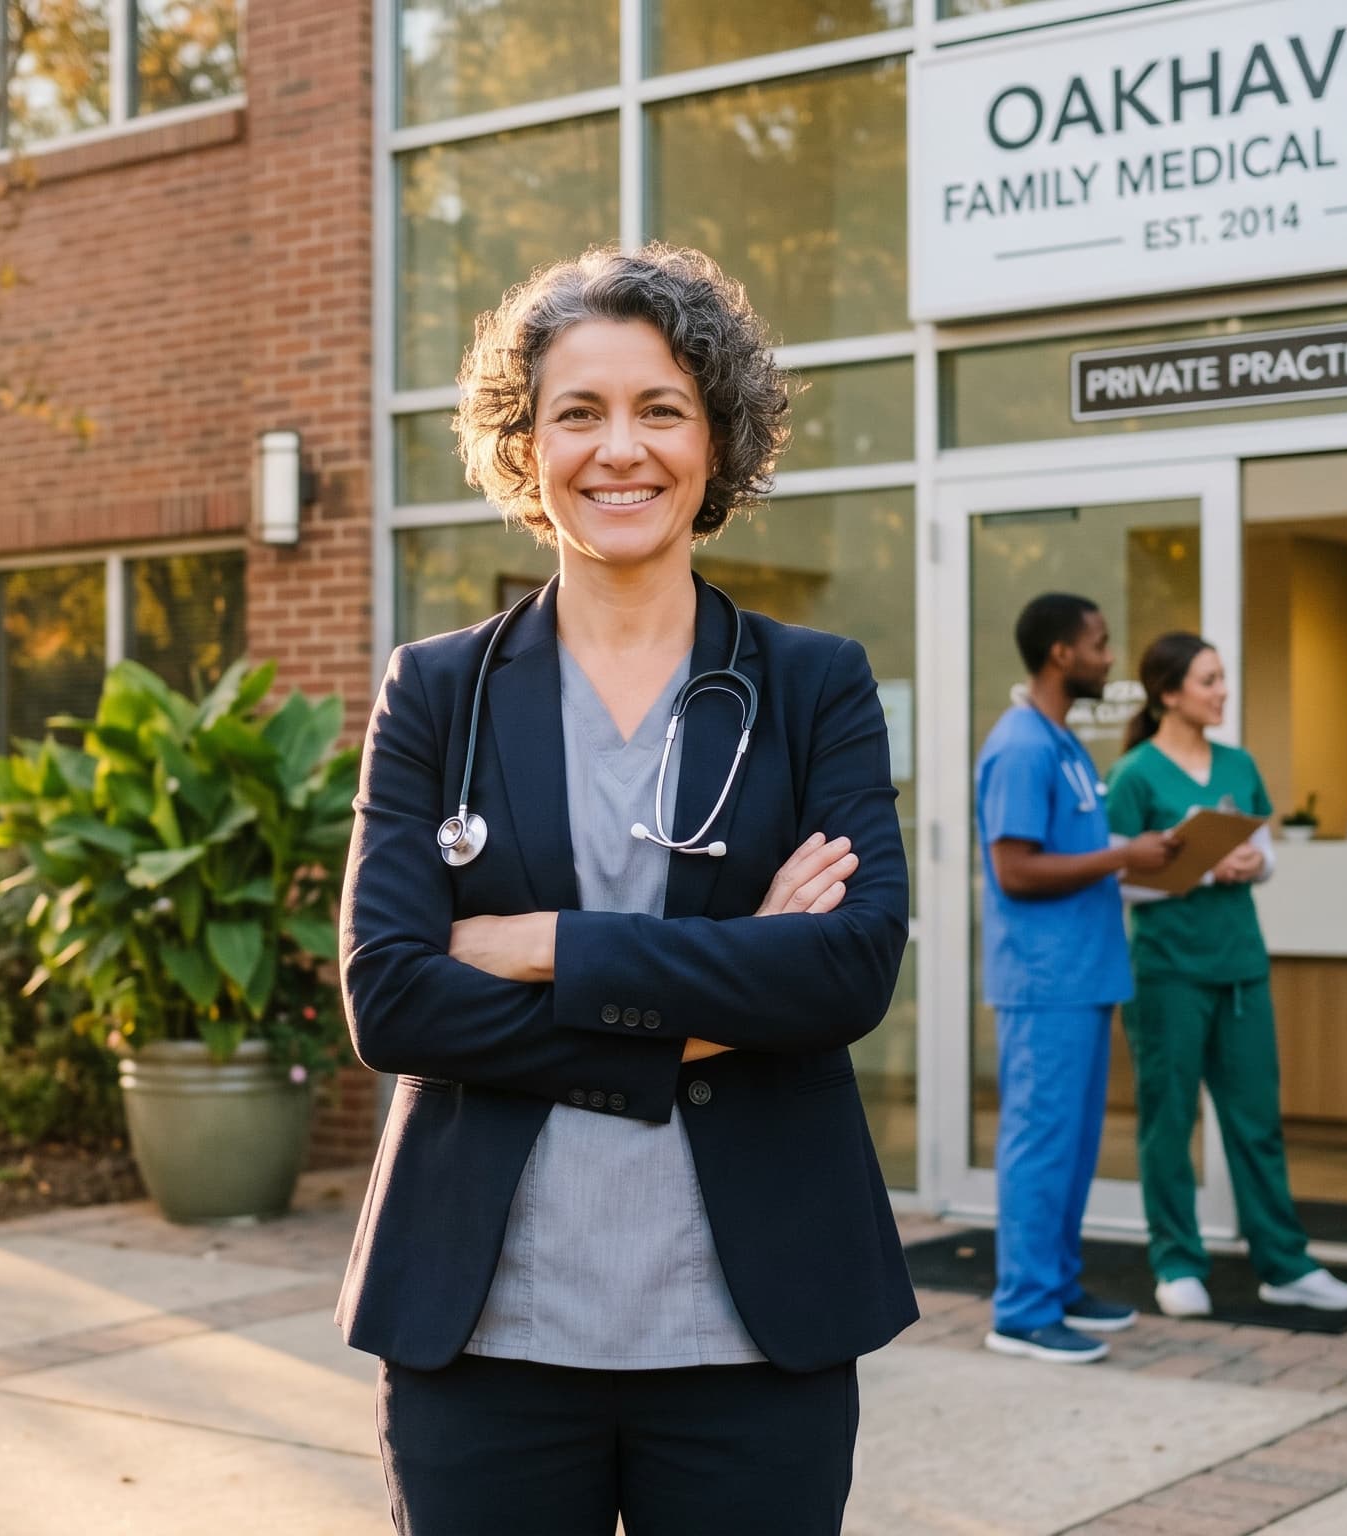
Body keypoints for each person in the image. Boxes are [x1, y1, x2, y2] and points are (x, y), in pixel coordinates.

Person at [336, 244, 914, 1535]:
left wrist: (535, 941)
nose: (621, 451)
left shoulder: (812, 685)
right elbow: (392, 999)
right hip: (484, 1335)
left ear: (720, 440)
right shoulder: (437, 691)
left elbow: (848, 969)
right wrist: (728, 986)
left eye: (662, 409)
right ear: (523, 445)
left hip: (751, 1336)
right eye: (578, 413)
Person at [1107, 633, 1347, 1320]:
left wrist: (1254, 864)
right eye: (1209, 680)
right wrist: (1192, 872)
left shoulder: (1238, 762)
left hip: (1241, 967)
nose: (1223, 691)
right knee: (1169, 1122)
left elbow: (1265, 853)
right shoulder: (1135, 774)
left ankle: (1285, 1263)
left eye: (1222, 679)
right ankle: (1177, 1261)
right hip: (1167, 972)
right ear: (1169, 693)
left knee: (1256, 1122)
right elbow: (1118, 879)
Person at [974, 594, 1173, 1364]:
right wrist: (1126, 856)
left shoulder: (1062, 743)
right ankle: (1022, 1309)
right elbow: (1015, 869)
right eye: (1099, 644)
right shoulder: (1021, 745)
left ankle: (1055, 1283)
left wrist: (1141, 855)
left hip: (1083, 974)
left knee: (1076, 1143)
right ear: (1062, 654)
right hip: (1042, 982)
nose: (1109, 657)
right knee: (1042, 1144)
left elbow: (1074, 853)